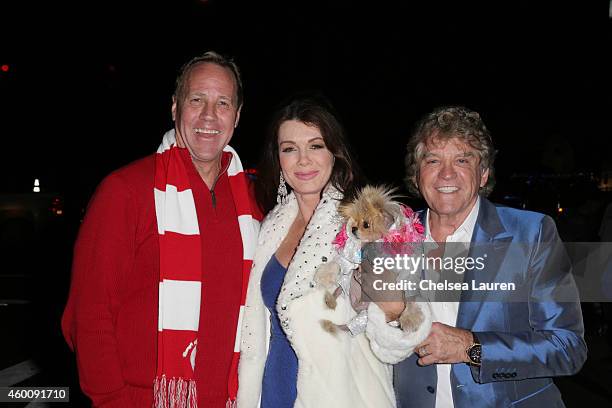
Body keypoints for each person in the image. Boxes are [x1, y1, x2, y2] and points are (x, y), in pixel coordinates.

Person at [61, 51, 262, 407]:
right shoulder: (126, 190)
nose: (209, 116)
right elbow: (89, 315)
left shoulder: (253, 200)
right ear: (175, 107)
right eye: (196, 100)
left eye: (223, 103)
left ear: (238, 115)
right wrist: (113, 400)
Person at [366, 106, 587, 407]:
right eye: (432, 160)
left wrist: (472, 347)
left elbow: (567, 347)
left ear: (483, 174)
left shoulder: (531, 234)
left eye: (462, 159)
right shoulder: (389, 238)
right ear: (416, 176)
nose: (446, 173)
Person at [236, 96, 429, 408]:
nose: (303, 160)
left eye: (316, 145)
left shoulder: (365, 223)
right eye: (289, 148)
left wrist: (395, 312)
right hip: (272, 395)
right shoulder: (270, 228)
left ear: (334, 153)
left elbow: (401, 340)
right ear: (278, 158)